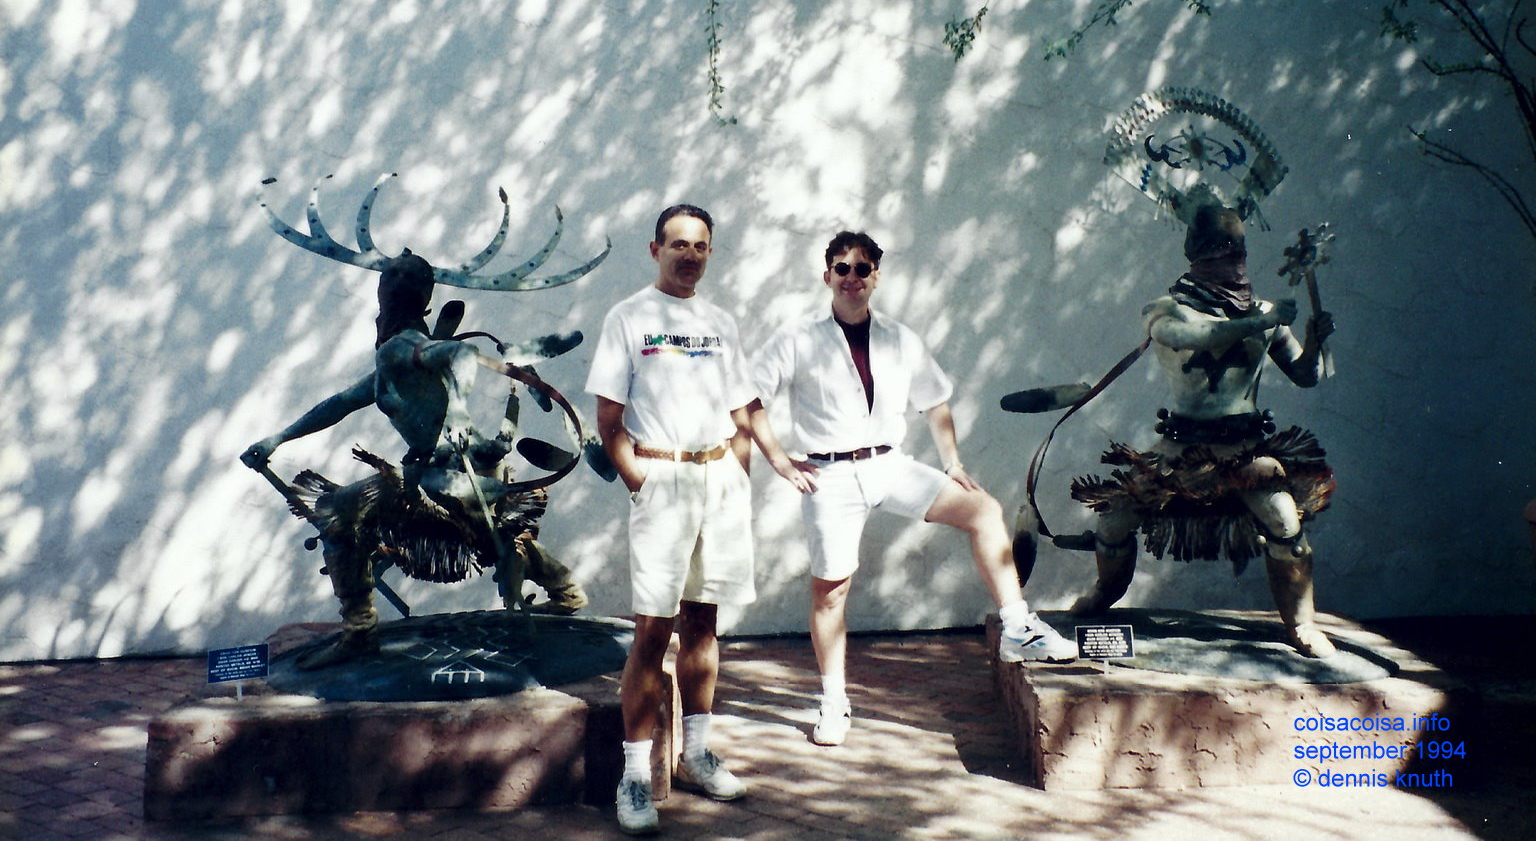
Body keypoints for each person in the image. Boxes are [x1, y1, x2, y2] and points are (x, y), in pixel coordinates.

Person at [751, 231, 1076, 749]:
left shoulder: (900, 338)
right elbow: (748, 398)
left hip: (889, 464)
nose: (851, 278)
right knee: (831, 591)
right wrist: (778, 460)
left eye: (862, 269)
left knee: (983, 509)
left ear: (876, 276)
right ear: (826, 275)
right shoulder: (797, 338)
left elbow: (935, 401)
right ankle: (833, 699)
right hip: (830, 476)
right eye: (842, 268)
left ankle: (1018, 627)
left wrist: (952, 462)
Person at [585, 204, 812, 836]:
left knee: (705, 625)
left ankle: (697, 754)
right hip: (663, 481)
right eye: (678, 244)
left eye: (701, 246)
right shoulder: (629, 317)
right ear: (654, 248)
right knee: (652, 632)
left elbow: (745, 404)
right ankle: (634, 776)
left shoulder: (719, 322)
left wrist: (750, 464)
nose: (690, 255)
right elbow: (609, 420)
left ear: (710, 253)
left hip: (719, 483)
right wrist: (642, 481)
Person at [241, 252, 586, 667]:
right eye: (395, 274)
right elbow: (341, 403)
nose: (399, 279)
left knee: (339, 513)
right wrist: (278, 437)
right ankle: (565, 591)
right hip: (454, 472)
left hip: (451, 475)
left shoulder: (404, 347)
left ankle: (359, 631)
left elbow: (461, 355)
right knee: (487, 539)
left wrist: (457, 410)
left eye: (408, 276)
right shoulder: (392, 355)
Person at [1069, 205, 1338, 657]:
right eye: (1216, 253)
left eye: (1236, 253)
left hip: (1245, 449)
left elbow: (1307, 375)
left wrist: (1315, 339)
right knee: (1114, 518)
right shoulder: (1166, 309)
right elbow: (1196, 337)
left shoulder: (1267, 314)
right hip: (1180, 450)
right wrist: (1259, 323)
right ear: (1195, 255)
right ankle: (1104, 592)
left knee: (1284, 521)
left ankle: (1302, 623)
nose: (1229, 263)